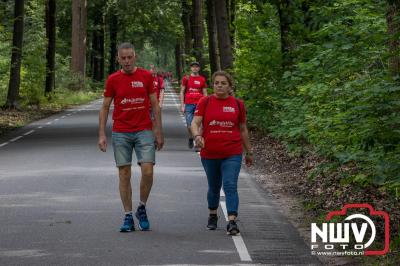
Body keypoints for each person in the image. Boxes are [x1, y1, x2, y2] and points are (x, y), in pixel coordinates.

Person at [98, 42, 164, 232]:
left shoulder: (145, 76)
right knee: (124, 174)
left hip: (144, 130)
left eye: (130, 57)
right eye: (123, 58)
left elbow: (155, 106)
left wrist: (158, 132)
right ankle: (127, 216)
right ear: (118, 58)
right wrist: (102, 134)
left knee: (148, 171)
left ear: (135, 57)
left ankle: (141, 207)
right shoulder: (113, 79)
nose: (127, 61)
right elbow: (105, 107)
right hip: (121, 132)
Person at [191, 71, 253, 235]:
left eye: (223, 83)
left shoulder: (238, 104)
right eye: (217, 82)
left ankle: (232, 221)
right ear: (213, 85)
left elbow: (243, 129)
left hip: (232, 152)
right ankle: (212, 215)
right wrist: (197, 136)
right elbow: (195, 123)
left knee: (230, 185)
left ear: (229, 86)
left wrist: (249, 151)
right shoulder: (205, 101)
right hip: (209, 153)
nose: (219, 85)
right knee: (214, 186)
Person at [180, 62, 207, 149]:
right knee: (189, 125)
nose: (195, 68)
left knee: (198, 124)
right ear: (191, 68)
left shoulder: (202, 79)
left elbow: (205, 92)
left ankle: (196, 142)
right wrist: (182, 105)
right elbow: (182, 91)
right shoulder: (186, 78)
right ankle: (191, 137)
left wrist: (206, 104)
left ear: (199, 68)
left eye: (196, 67)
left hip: (200, 104)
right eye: (193, 67)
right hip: (188, 104)